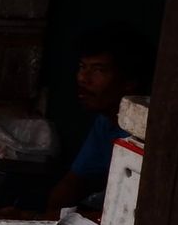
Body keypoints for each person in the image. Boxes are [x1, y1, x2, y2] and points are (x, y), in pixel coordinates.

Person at [46, 28, 153, 215]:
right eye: (82, 67)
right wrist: (42, 218)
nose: (82, 78)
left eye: (98, 70)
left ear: (130, 81)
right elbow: (74, 182)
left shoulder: (146, 131)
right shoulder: (106, 122)